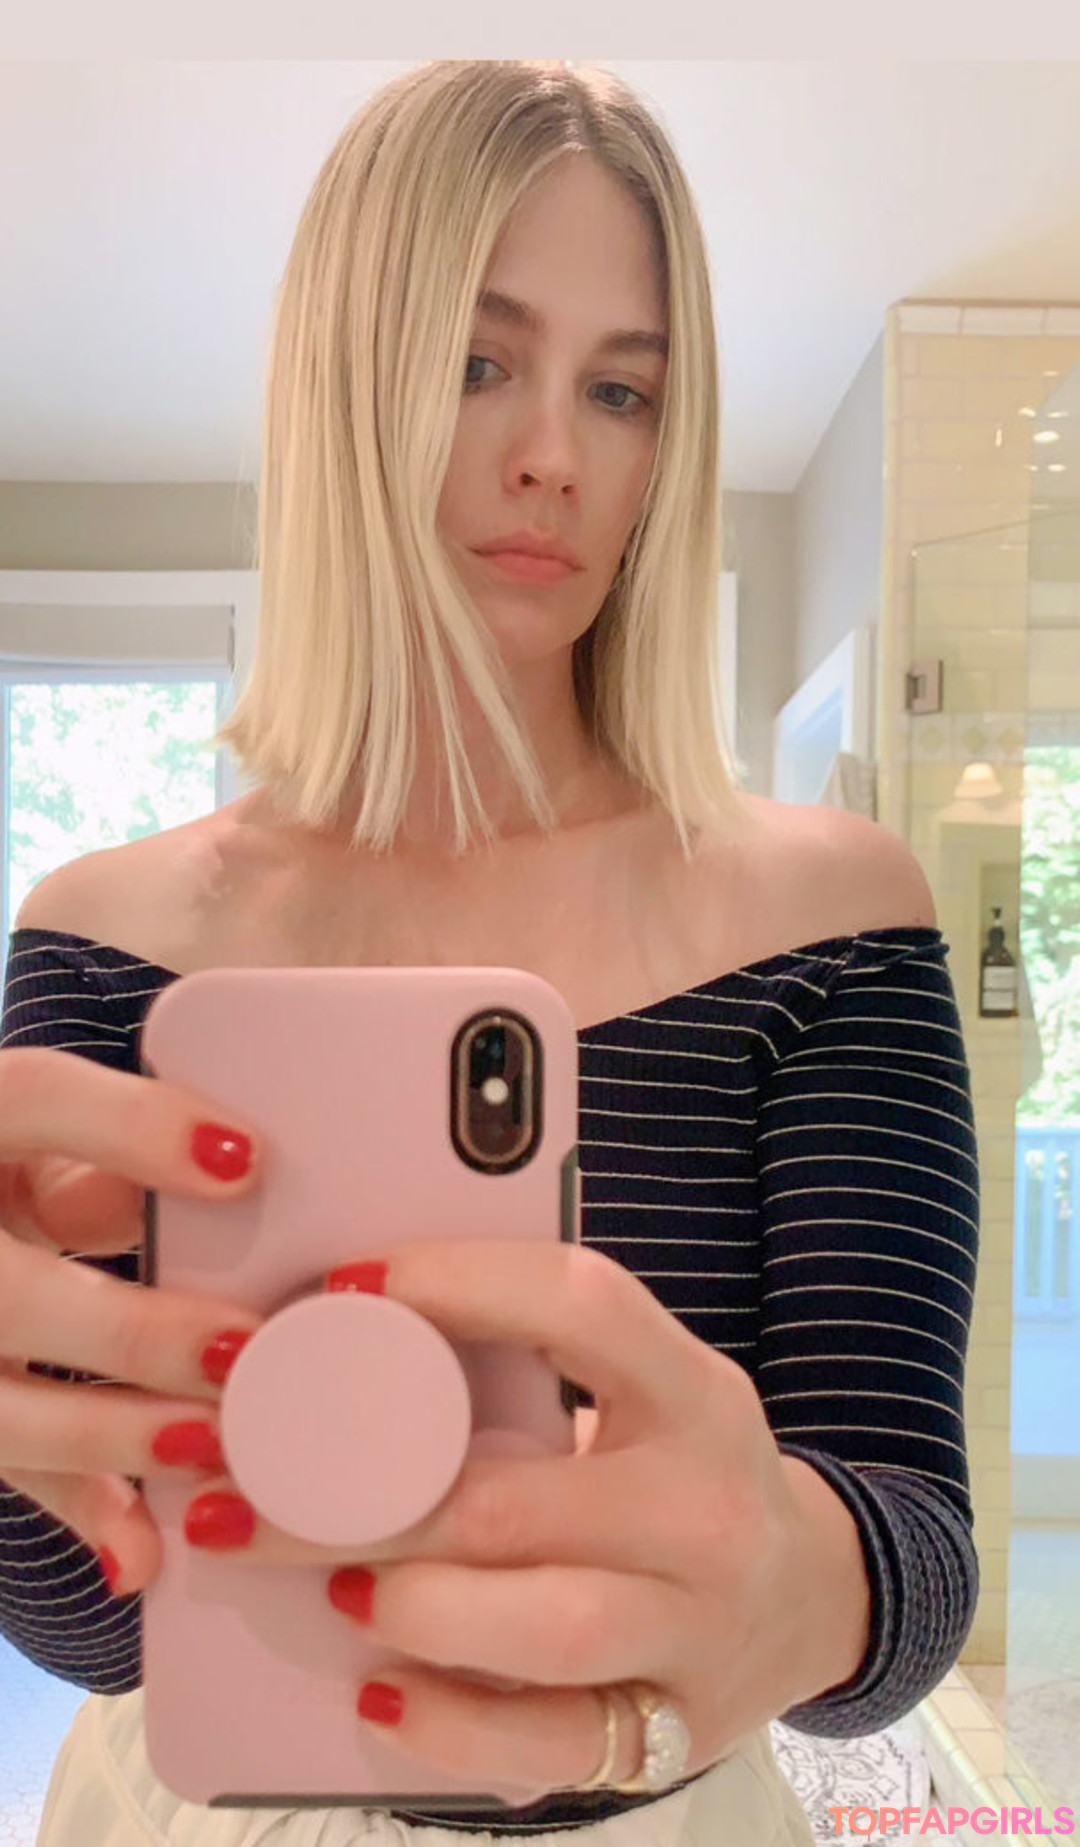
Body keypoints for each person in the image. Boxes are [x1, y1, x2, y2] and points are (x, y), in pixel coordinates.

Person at [0, 59, 979, 1847]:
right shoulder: (103, 941)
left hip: (660, 1815)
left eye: (623, 390)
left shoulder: (828, 921)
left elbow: (911, 1536)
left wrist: (797, 1583)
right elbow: (91, 1621)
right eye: (475, 362)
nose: (554, 455)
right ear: (345, 385)